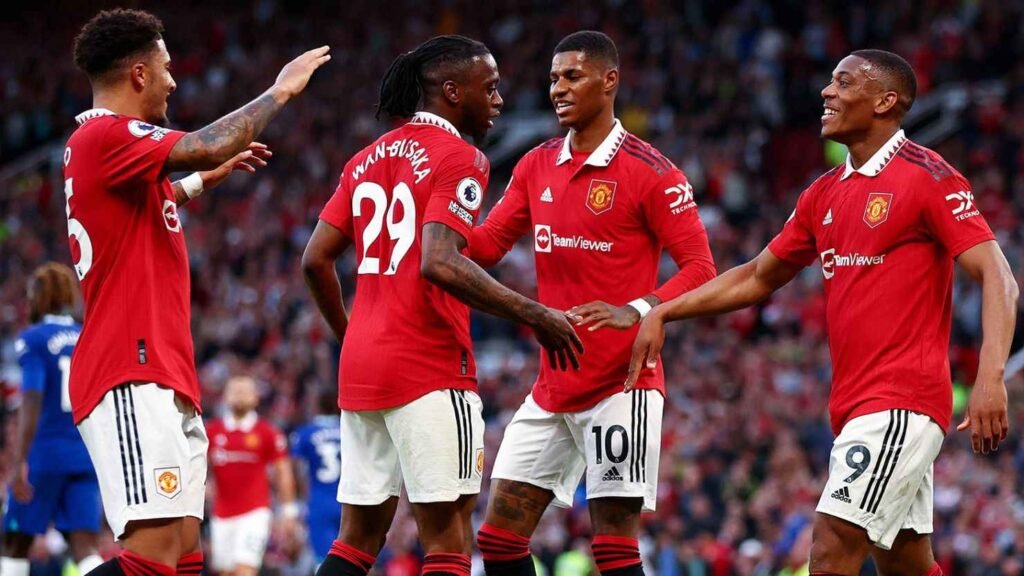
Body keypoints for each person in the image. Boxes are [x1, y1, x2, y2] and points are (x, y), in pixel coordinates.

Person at [625, 50, 1018, 576]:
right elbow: (757, 275)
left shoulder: (928, 176)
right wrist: (663, 311)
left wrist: (990, 376)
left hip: (900, 401)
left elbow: (998, 275)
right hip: (856, 406)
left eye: (843, 82)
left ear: (885, 101)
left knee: (831, 547)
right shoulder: (823, 193)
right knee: (906, 563)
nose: (826, 92)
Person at [302, 35, 582, 576]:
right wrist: (535, 314)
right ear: (453, 92)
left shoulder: (364, 159)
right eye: (490, 88)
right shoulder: (461, 157)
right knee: (448, 538)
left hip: (362, 367)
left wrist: (349, 332)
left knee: (356, 539)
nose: (498, 100)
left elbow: (315, 259)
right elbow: (439, 260)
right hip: (428, 365)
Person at [64, 9, 328, 576]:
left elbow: (142, 210)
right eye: (165, 68)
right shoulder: (105, 134)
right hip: (128, 368)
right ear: (138, 74)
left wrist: (198, 183)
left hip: (163, 370)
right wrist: (280, 92)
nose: (174, 81)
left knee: (185, 555)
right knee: (151, 558)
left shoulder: (110, 153)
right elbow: (208, 143)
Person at [467, 31, 716, 576]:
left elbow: (702, 268)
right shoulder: (535, 165)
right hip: (553, 388)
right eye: (553, 78)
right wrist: (436, 218)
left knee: (612, 549)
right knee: (499, 540)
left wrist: (640, 308)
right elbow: (485, 245)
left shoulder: (653, 172)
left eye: (572, 76)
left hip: (621, 387)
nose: (557, 88)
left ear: (609, 81)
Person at [1, 263, 103, 576]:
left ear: (38, 297)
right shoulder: (88, 336)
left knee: (15, 542)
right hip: (85, 455)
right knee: (85, 548)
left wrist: (19, 460)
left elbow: (32, 398)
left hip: (45, 454)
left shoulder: (33, 338)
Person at [206, 375, 298, 576]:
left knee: (245, 569)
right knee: (225, 572)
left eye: (245, 390)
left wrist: (289, 511)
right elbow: (200, 469)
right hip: (221, 513)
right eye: (235, 390)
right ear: (224, 396)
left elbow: (283, 471)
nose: (239, 394)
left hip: (255, 513)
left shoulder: (268, 433)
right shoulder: (211, 432)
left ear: (256, 397)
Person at [290, 389, 344, 563]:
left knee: (324, 560)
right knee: (353, 559)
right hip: (349, 500)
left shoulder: (305, 433)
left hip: (319, 501)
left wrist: (302, 496)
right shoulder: (350, 431)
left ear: (316, 406)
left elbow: (297, 467)